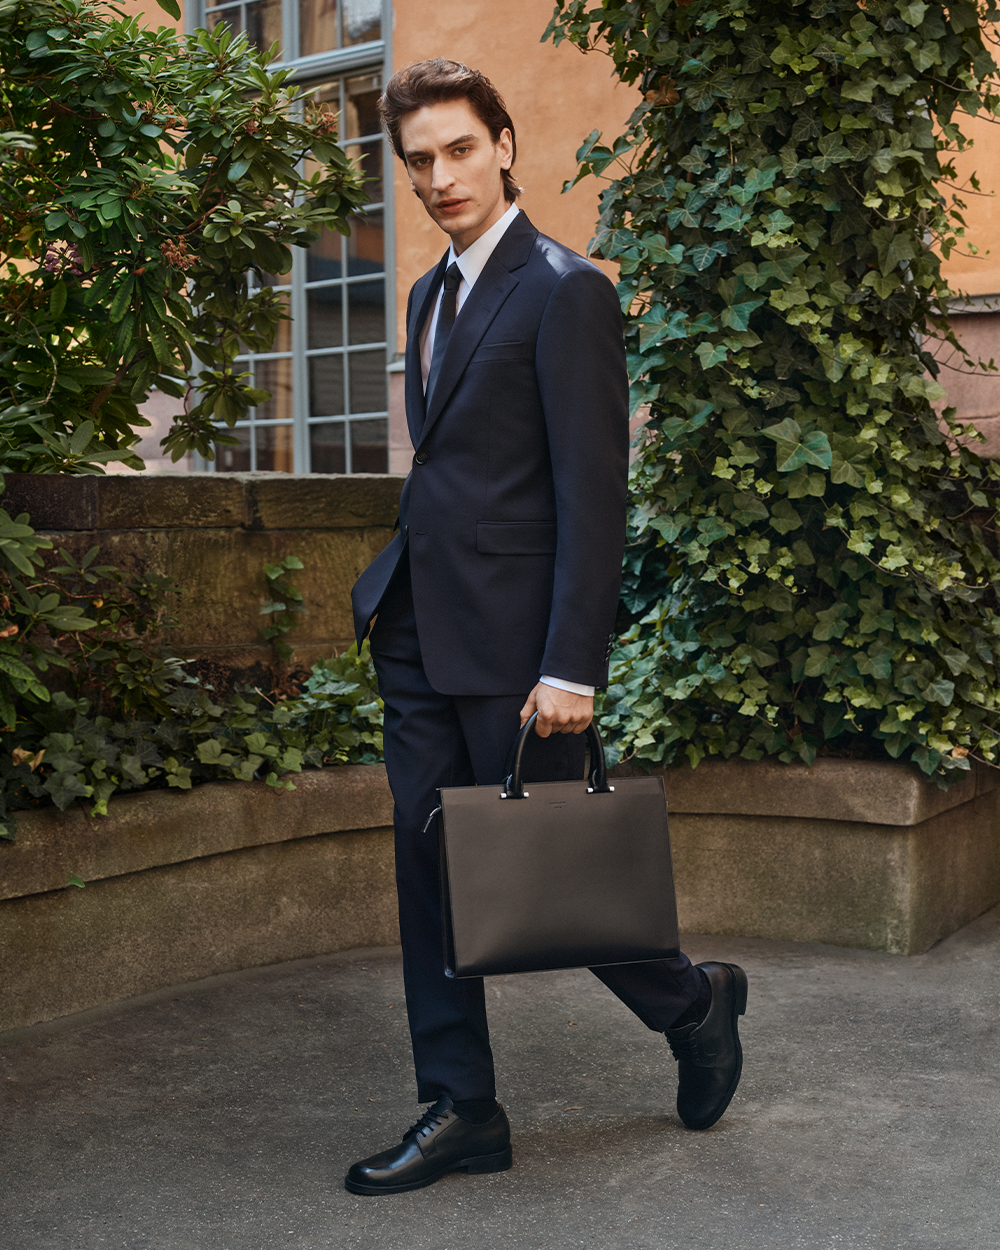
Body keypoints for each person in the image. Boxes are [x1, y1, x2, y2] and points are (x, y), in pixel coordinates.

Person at [346, 58, 747, 1196]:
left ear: (506, 143)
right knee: (430, 877)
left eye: (459, 149)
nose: (438, 176)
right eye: (417, 158)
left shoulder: (565, 288)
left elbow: (593, 491)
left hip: (524, 653)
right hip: (421, 633)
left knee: (553, 879)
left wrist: (574, 661)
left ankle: (695, 999)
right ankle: (461, 1103)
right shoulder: (428, 297)